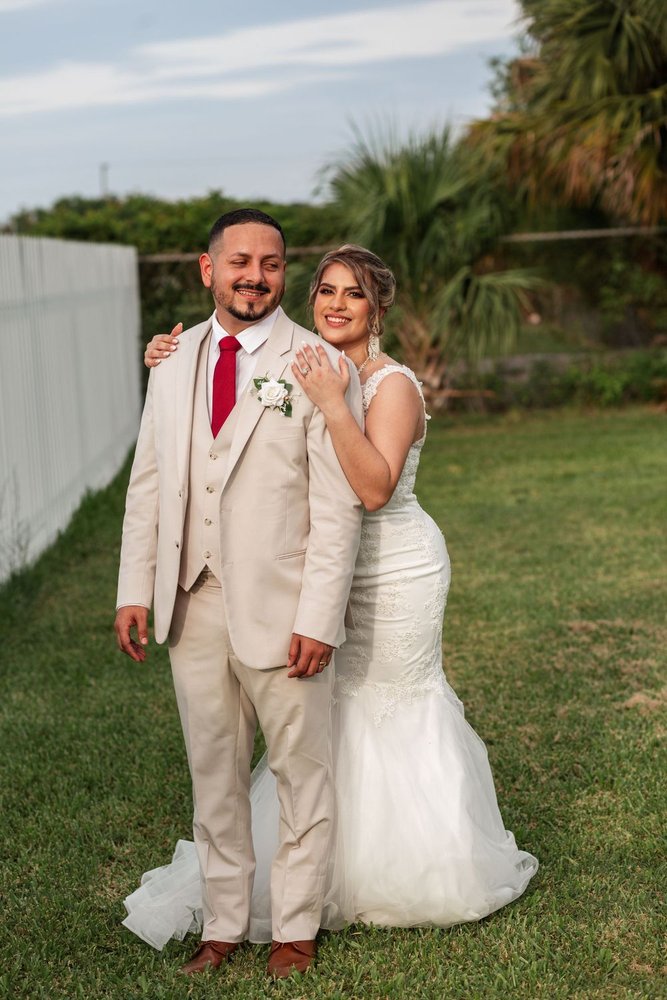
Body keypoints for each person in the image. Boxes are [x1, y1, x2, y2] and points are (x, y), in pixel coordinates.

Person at [127, 243, 538, 949]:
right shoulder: (299, 361)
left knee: (389, 707)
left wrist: (329, 403)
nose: (336, 304)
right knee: (330, 718)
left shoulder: (390, 385)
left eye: (353, 294)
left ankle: (403, 868)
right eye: (326, 290)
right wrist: (175, 353)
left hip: (391, 570)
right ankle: (317, 873)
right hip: (314, 568)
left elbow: (373, 489)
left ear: (377, 310)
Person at [115, 209, 364, 980]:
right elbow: (149, 482)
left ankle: (295, 927)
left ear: (283, 273)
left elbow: (337, 507)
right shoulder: (172, 360)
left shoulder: (318, 363)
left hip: (285, 608)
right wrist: (134, 587)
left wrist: (319, 616)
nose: (255, 277)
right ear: (207, 269)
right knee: (212, 772)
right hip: (190, 601)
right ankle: (222, 924)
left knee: (300, 772)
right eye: (239, 262)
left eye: (271, 264)